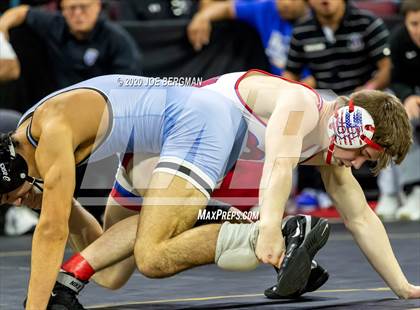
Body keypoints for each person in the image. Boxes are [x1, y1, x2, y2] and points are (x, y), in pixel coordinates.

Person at [1, 70, 419, 308]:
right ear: (354, 127)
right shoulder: (301, 105)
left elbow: (361, 216)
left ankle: (73, 277)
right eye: (365, 154)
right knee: (121, 267)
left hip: (186, 136)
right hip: (194, 130)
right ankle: (270, 231)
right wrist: (268, 226)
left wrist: (403, 287)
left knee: (149, 253)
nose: (360, 165)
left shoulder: (327, 142)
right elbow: (278, 164)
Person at [0, 1, 142, 89]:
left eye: (83, 7)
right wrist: (2, 28)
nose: (78, 13)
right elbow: (22, 11)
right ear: (63, 9)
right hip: (58, 104)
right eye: (71, 8)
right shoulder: (56, 25)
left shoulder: (116, 38)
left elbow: (129, 84)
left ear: (97, 6)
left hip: (103, 108)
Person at [376, 0, 420, 221]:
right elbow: (394, 77)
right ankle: (401, 192)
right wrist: (407, 97)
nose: (419, 30)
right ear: (405, 22)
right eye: (414, 24)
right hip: (409, 98)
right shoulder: (398, 40)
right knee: (400, 124)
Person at [187, 0, 311, 78]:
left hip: (313, 92)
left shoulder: (320, 20)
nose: (285, 3)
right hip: (280, 88)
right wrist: (202, 17)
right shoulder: (267, 8)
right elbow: (227, 7)